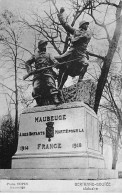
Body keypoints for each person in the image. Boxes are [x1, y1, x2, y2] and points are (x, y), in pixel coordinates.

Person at [56, 7, 92, 88]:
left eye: (87, 24)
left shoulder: (88, 33)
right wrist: (61, 15)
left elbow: (81, 38)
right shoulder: (76, 31)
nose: (87, 25)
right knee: (66, 69)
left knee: (86, 64)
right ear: (82, 25)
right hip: (73, 52)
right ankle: (60, 87)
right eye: (86, 24)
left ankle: (80, 81)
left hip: (81, 54)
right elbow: (66, 25)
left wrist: (72, 39)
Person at [25, 39, 60, 106]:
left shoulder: (49, 54)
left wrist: (56, 63)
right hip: (38, 74)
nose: (44, 46)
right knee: (35, 88)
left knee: (51, 84)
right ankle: (39, 102)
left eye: (45, 45)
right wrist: (30, 71)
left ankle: (55, 98)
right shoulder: (35, 55)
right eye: (43, 45)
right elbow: (27, 63)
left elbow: (54, 61)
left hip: (47, 72)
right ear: (39, 46)